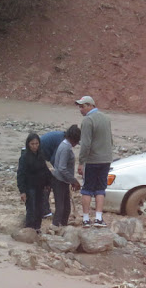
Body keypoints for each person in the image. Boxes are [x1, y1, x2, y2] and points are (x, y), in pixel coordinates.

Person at [75, 95, 113, 228]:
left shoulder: (87, 120)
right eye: (80, 107)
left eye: (83, 106)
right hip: (106, 159)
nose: (81, 109)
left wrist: (81, 162)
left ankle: (86, 219)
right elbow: (110, 139)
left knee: (87, 189)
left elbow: (85, 144)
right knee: (100, 188)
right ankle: (98, 218)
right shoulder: (106, 118)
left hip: (92, 160)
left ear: (91, 105)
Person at [17, 133, 52, 233]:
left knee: (39, 209)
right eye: (32, 144)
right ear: (28, 144)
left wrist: (49, 183)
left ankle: (37, 228)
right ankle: (29, 230)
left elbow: (45, 170)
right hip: (29, 188)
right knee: (31, 209)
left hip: (40, 187)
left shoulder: (41, 155)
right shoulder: (24, 157)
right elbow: (21, 174)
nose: (35, 146)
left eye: (37, 143)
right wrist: (22, 191)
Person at [51, 125, 82, 227]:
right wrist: (73, 180)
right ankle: (55, 227)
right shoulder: (66, 148)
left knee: (66, 208)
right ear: (74, 139)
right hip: (59, 181)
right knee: (60, 208)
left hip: (63, 181)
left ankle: (62, 227)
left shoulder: (64, 145)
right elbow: (62, 168)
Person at [39, 130, 66, 218]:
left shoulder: (61, 136)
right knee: (46, 184)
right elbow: (54, 159)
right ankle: (45, 211)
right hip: (39, 155)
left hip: (42, 155)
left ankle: (43, 210)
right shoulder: (61, 141)